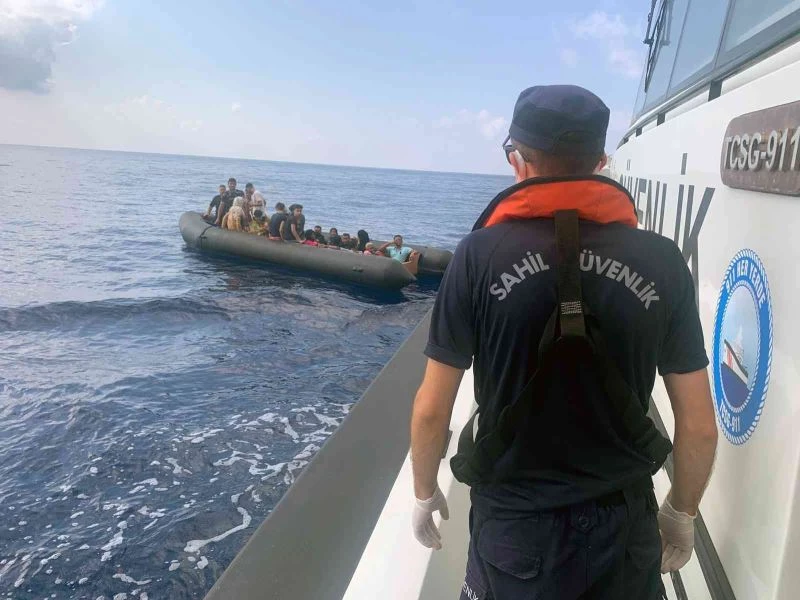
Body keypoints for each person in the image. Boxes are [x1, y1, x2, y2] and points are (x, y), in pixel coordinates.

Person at [409, 85, 718, 600]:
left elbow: (430, 411)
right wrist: (680, 512)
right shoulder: (663, 260)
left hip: (515, 529)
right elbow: (700, 427)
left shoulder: (478, 256)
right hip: (625, 531)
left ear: (518, 161)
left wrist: (423, 493)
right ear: (599, 162)